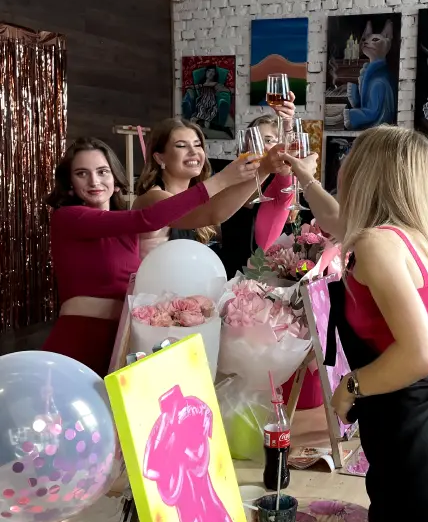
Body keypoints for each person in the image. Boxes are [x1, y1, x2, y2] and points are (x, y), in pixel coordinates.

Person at [282, 126, 428, 522]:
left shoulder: (378, 243)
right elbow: (334, 219)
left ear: (365, 171)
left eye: (351, 159)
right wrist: (305, 178)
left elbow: (420, 354)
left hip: (420, 449)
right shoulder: (416, 237)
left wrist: (350, 387)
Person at [43, 137, 267, 378]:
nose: (94, 181)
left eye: (102, 171)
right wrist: (222, 179)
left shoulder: (127, 229)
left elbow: (211, 214)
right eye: (82, 174)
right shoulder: (67, 217)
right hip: (80, 341)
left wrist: (264, 170)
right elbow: (148, 218)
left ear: (115, 179)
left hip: (120, 342)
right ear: (70, 184)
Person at [134, 116, 291, 259]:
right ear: (159, 158)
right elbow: (212, 214)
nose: (193, 151)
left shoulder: (196, 197)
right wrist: (258, 170)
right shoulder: (152, 198)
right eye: (181, 146)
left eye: (197, 145)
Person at [218, 110, 317, 278]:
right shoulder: (231, 179)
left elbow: (287, 170)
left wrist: (288, 127)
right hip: (228, 272)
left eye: (269, 140)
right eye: (255, 140)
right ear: (246, 146)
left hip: (264, 278)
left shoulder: (282, 184)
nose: (262, 146)